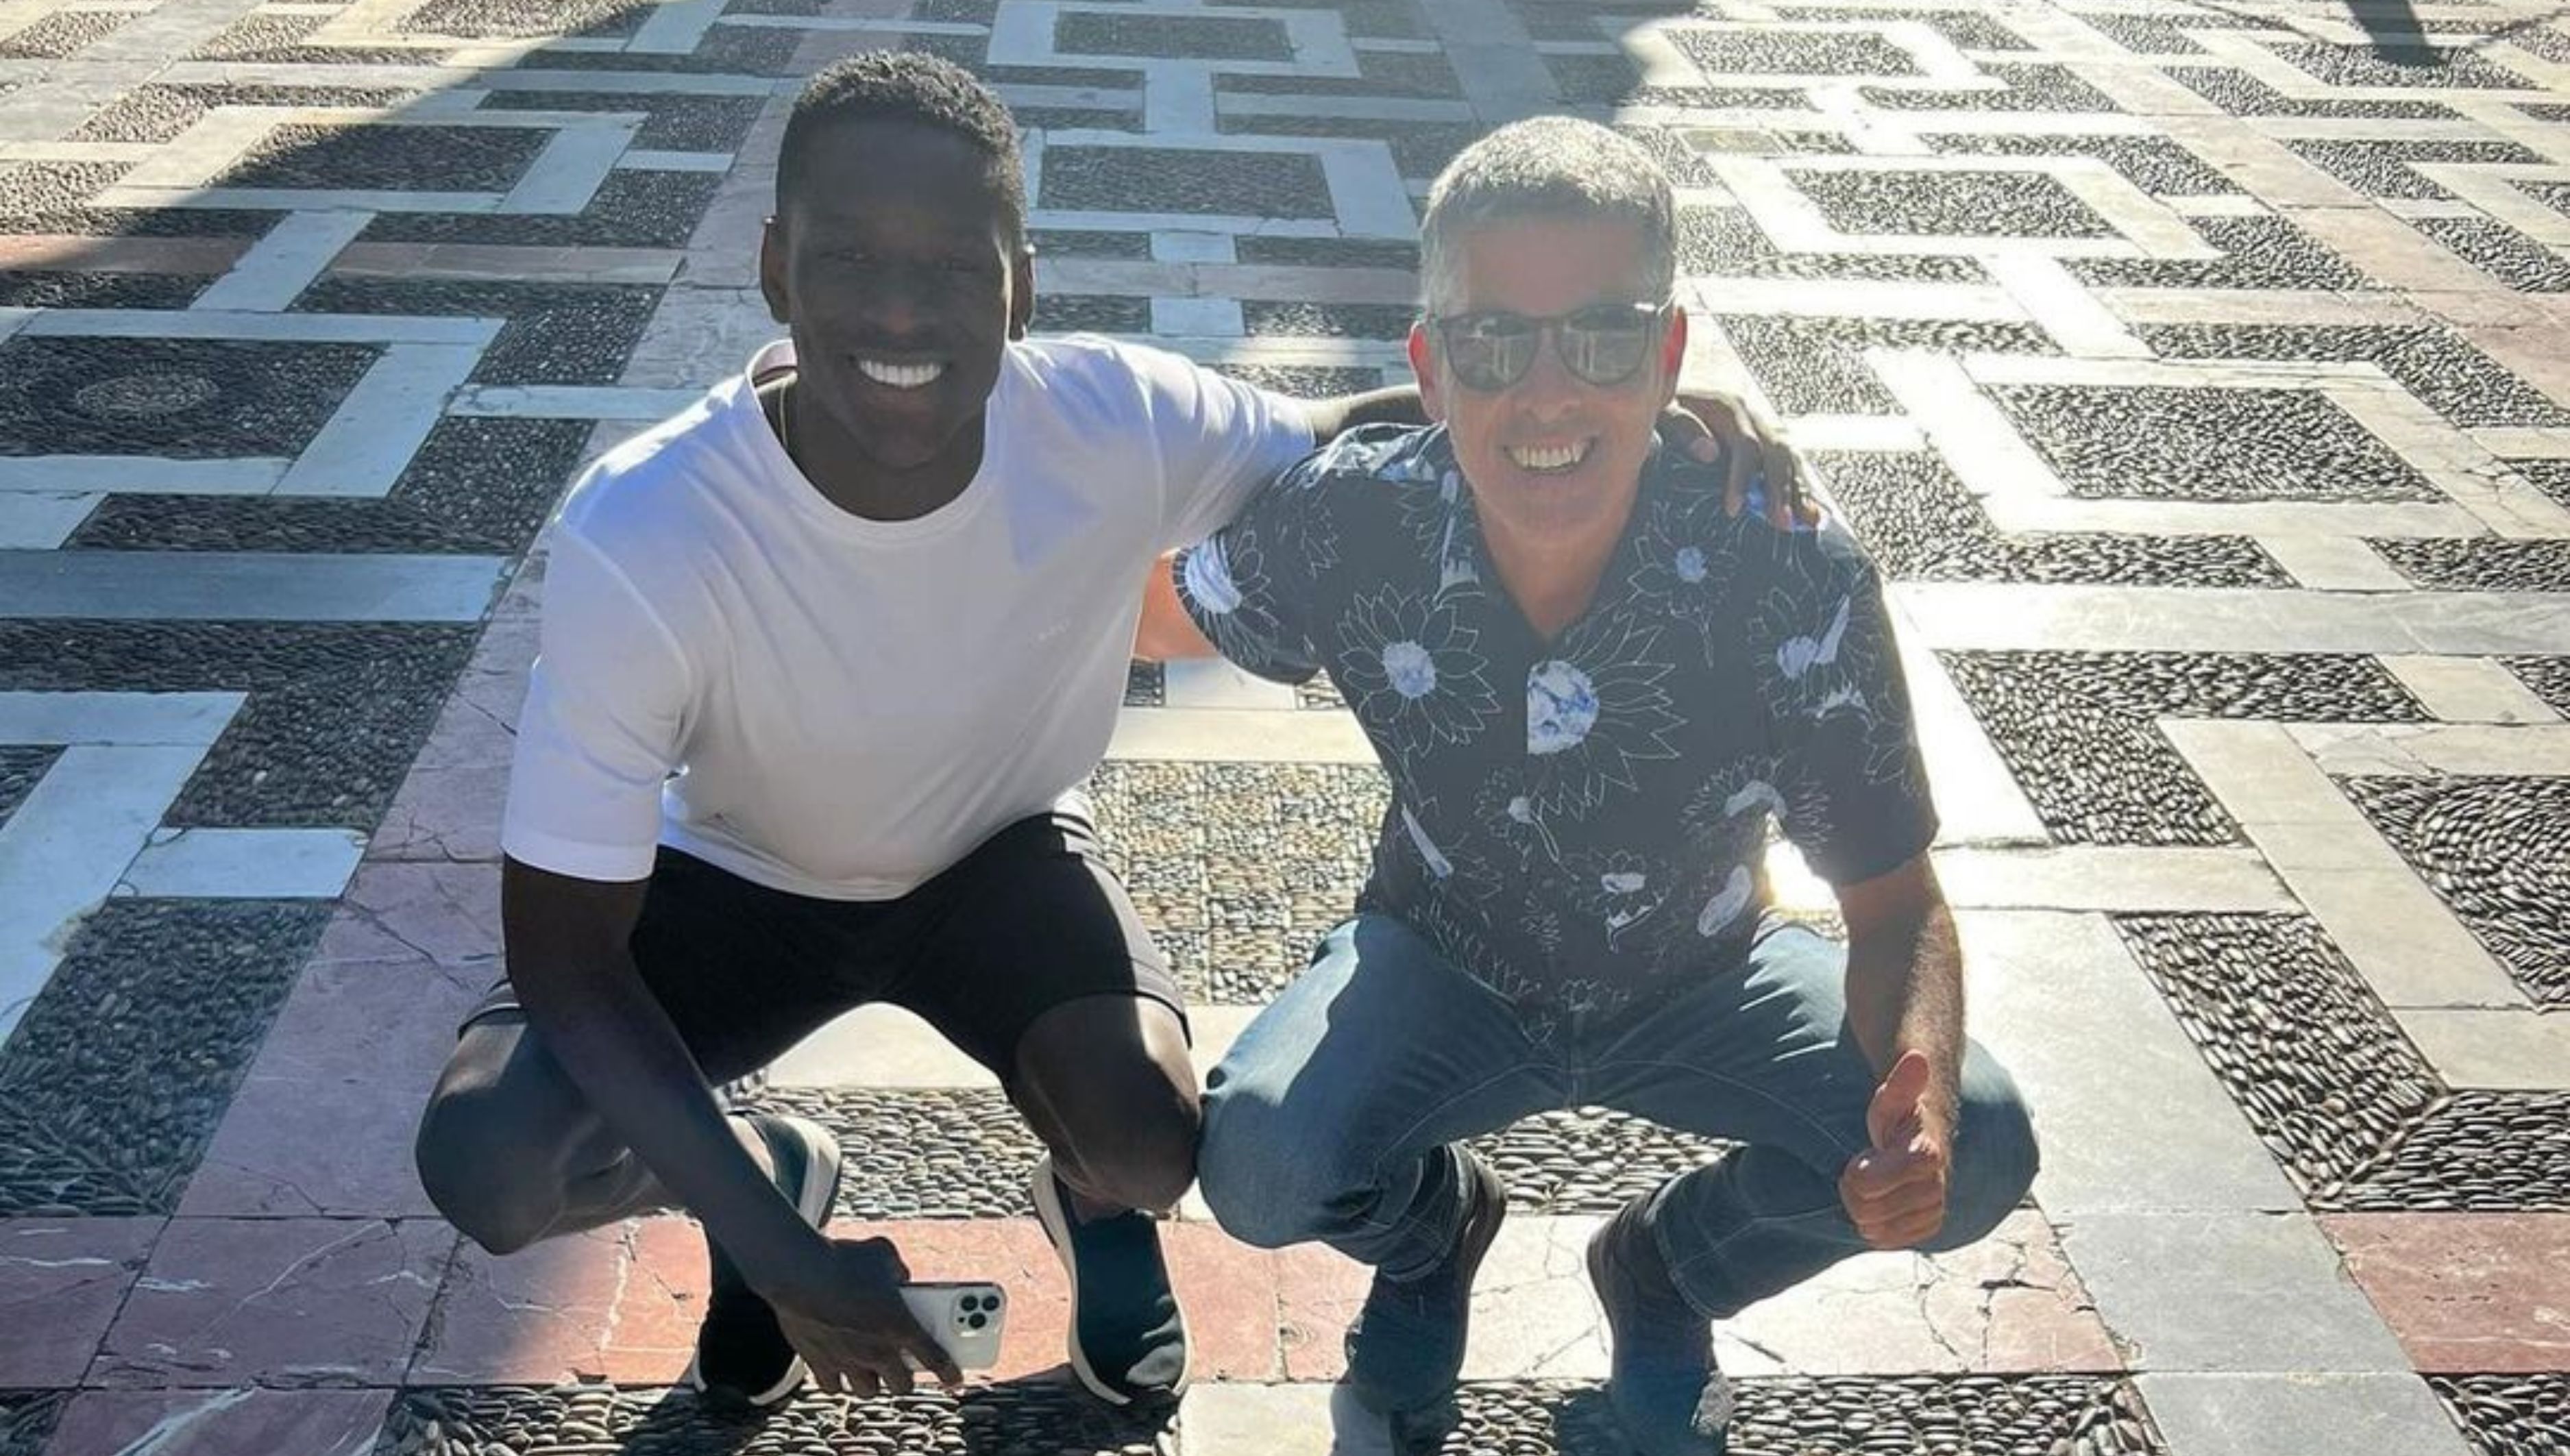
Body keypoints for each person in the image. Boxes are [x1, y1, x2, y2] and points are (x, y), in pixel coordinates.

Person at [411, 56, 1794, 1414]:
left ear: (1023, 285)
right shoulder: (646, 525)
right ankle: (761, 1175)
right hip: (734, 868)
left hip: (998, 858)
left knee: (1147, 1138)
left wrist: (1613, 414)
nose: (901, 307)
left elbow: (1337, 440)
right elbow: (569, 963)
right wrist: (784, 1256)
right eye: (847, 261)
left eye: (955, 265)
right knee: (491, 1160)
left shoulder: (1107, 419)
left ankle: (1092, 1211)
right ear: (776, 271)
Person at [1154, 119, 2040, 1454]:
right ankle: (1432, 1239)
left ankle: (1668, 1266)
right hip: (1438, 960)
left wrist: (1910, 1094)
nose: (1550, 391)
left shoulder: (1785, 565)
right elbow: (1137, 605)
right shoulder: (1351, 523)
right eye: (1496, 340)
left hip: (1705, 967)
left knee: (1975, 1142)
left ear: (1671, 355)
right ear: (1433, 364)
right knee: (1264, 1166)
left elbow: (1896, 898)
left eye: (1605, 339)